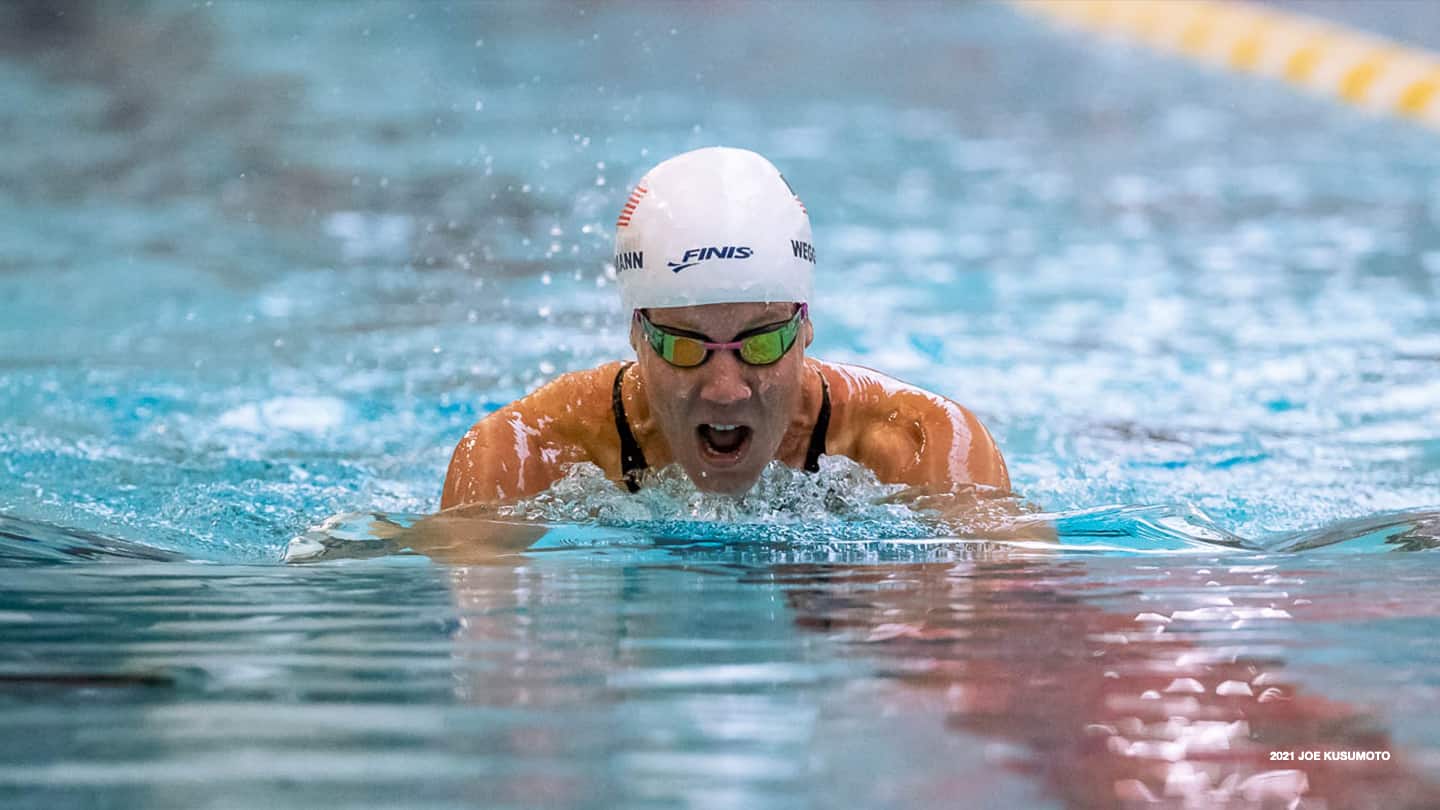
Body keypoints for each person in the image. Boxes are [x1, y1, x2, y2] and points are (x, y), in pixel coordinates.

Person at [441, 146, 1009, 513]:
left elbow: (993, 635)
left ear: (805, 326)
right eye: (687, 346)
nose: (727, 388)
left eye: (761, 342)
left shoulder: (923, 447)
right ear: (637, 334)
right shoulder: (521, 458)